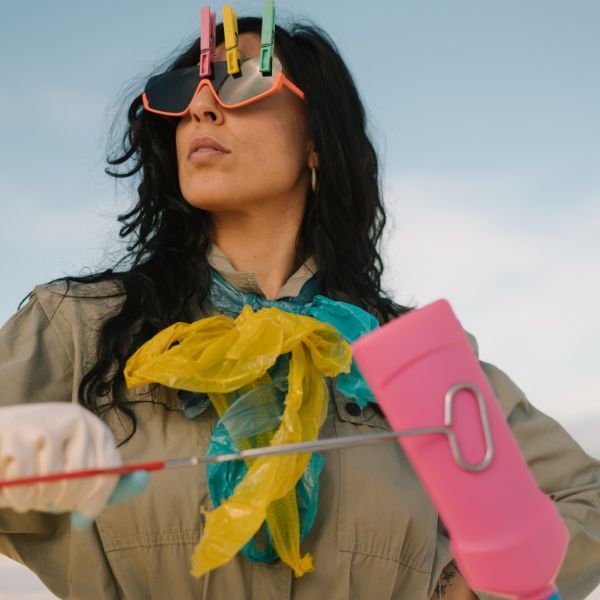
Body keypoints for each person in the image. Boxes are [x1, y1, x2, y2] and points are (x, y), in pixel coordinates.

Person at [1, 11, 599, 600]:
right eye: (185, 92)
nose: (201, 109)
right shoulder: (78, 327)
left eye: (242, 83)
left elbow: (587, 499)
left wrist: (473, 588)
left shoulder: (414, 357)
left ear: (316, 138)